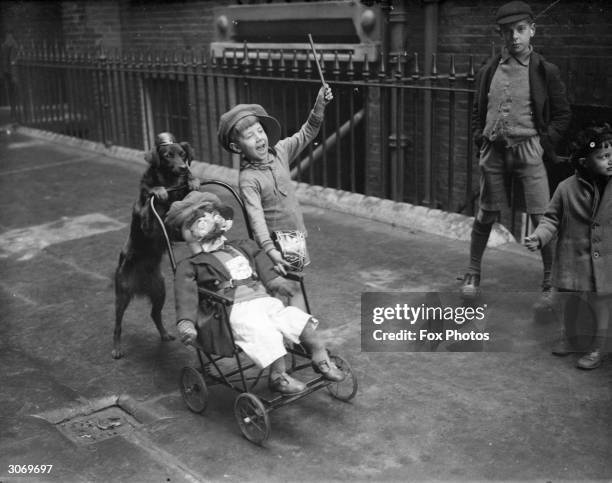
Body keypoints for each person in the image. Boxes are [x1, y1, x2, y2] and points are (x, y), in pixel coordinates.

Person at [165, 190, 345, 394]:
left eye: (212, 214)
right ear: (187, 233)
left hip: (263, 301)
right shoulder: (190, 265)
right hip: (232, 311)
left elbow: (261, 262)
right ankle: (278, 375)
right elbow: (185, 295)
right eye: (198, 220)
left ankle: (320, 357)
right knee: (263, 330)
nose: (209, 220)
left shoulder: (242, 246)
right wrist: (186, 321)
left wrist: (276, 281)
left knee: (296, 319)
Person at [460, 1, 571, 310]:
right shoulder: (489, 69)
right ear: (501, 35)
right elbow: (477, 110)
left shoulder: (544, 70)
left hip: (529, 150)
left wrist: (542, 141)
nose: (515, 37)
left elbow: (563, 115)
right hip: (493, 151)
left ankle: (549, 281)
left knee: (542, 217)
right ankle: (472, 273)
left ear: (532, 30)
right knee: (486, 214)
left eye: (520, 30)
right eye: (508, 32)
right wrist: (478, 139)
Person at [217, 85, 333, 311]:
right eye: (249, 136)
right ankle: (297, 334)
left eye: (259, 131)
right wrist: (270, 250)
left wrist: (320, 105)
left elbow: (307, 132)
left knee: (293, 284)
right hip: (274, 242)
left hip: (294, 235)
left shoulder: (279, 151)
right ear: (236, 146)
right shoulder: (249, 179)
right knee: (286, 289)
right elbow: (256, 218)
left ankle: (293, 334)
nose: (258, 138)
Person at [525, 122, 612, 369]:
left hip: (606, 259)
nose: (610, 160)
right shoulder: (566, 188)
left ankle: (599, 345)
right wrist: (539, 237)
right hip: (575, 258)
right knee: (571, 300)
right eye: (603, 157)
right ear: (584, 162)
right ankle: (571, 337)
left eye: (611, 155)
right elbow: (551, 218)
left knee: (603, 303)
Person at [1, 30, 18, 121]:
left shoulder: (3, 46)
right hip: (11, 73)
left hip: (6, 73)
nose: (9, 39)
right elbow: (12, 61)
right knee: (13, 94)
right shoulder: (13, 45)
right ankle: (14, 114)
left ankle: (13, 113)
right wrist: (14, 76)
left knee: (11, 94)